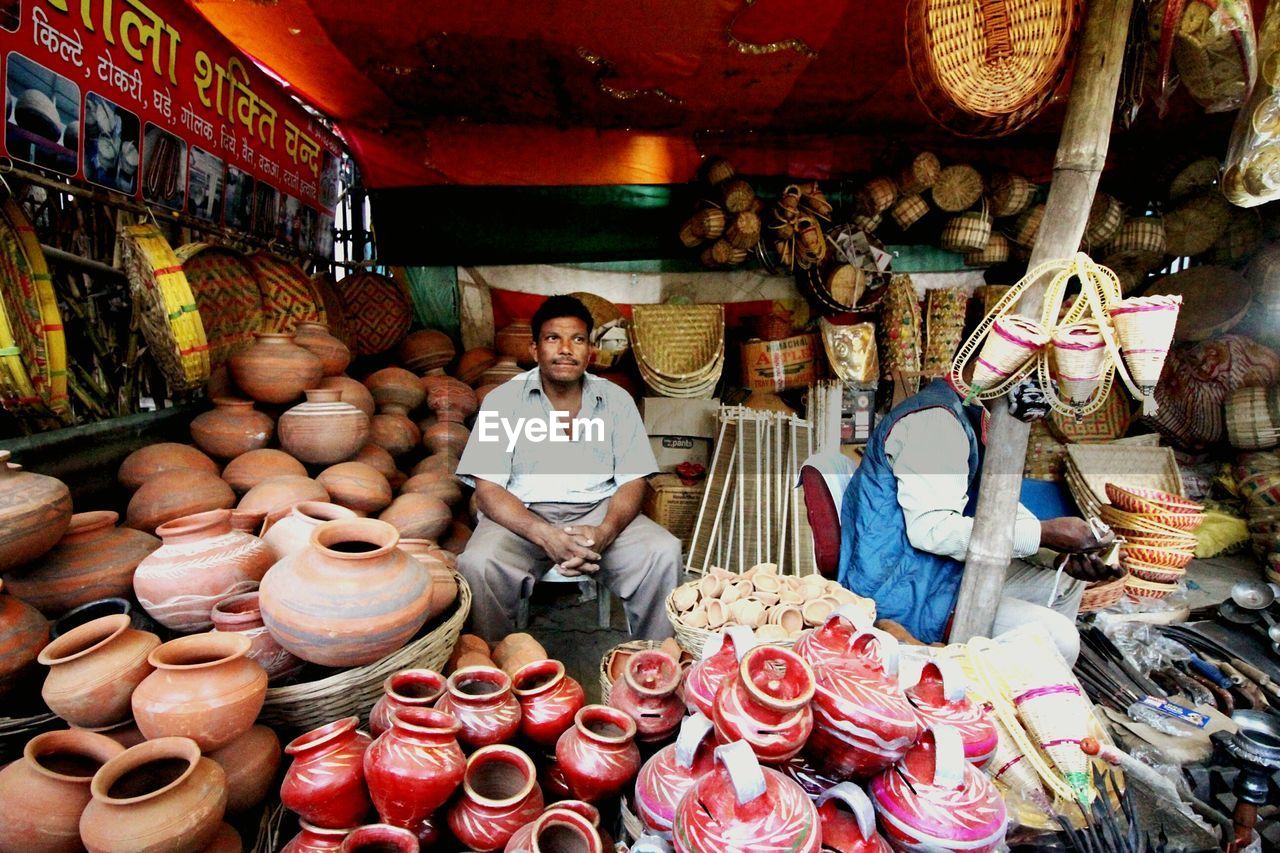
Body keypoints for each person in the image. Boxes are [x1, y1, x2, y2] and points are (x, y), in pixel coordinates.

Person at [837, 375, 1117, 663]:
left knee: (1068, 580)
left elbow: (994, 504)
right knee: (1062, 639)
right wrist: (1043, 533)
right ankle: (1002, 683)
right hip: (905, 590)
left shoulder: (971, 416)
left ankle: (1018, 677)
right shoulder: (936, 423)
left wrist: (1055, 555)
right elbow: (933, 531)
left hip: (935, 572)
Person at [455, 295, 681, 641]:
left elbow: (634, 481)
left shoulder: (616, 400)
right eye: (552, 338)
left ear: (590, 351)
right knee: (478, 564)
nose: (565, 349)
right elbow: (488, 491)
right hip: (524, 516)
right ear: (534, 350)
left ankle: (652, 667)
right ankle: (492, 675)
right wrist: (546, 535)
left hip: (599, 512)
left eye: (577, 339)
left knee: (662, 552)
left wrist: (605, 532)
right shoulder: (502, 401)